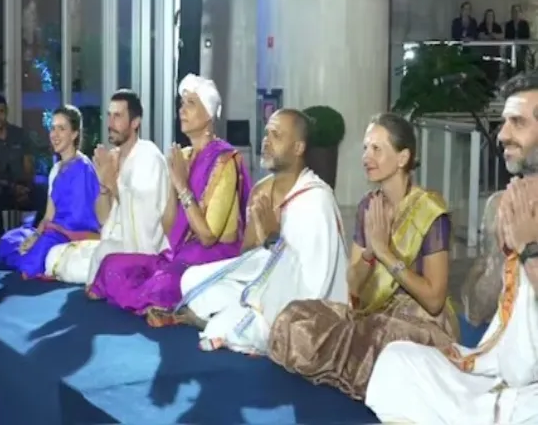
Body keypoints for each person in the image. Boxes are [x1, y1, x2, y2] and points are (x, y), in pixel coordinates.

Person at [365, 73, 538, 425]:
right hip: (495, 371)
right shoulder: (501, 205)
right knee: (396, 360)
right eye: (504, 122)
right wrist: (498, 254)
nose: (502, 134)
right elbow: (475, 311)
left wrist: (529, 250)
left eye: (517, 123)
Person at [267, 113, 459, 400]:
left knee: (380, 335)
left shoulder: (429, 212)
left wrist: (385, 253)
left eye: (377, 149)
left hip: (420, 321)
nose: (366, 156)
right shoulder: (368, 207)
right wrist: (370, 255)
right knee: (294, 316)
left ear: (403, 157)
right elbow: (354, 286)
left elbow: (434, 301)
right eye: (365, 148)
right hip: (370, 313)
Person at [147, 109, 348, 355]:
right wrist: (266, 244)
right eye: (266, 134)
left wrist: (275, 239)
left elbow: (313, 285)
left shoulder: (315, 202)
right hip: (264, 288)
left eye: (276, 135)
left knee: (238, 323)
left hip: (301, 311)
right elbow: (249, 256)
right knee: (192, 280)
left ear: (298, 148)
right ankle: (227, 322)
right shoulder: (262, 191)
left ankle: (224, 325)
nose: (266, 141)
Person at [87, 74, 252, 314]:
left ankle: (165, 304)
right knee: (112, 265)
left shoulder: (225, 161)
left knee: (162, 285)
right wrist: (109, 185)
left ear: (209, 114)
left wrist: (182, 186)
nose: (182, 110)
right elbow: (170, 226)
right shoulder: (182, 156)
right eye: (182, 104)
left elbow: (207, 237)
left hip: (211, 255)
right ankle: (155, 298)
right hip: (180, 252)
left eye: (191, 104)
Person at [42, 90, 169, 284]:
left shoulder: (148, 157)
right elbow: (104, 218)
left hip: (141, 249)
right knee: (53, 256)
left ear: (135, 122)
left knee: (104, 258)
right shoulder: (114, 157)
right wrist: (103, 185)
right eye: (109, 116)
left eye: (118, 116)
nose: (110, 123)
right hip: (113, 241)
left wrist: (114, 186)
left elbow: (145, 223)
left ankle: (107, 279)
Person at [0, 105, 101, 278]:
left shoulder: (84, 168)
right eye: (53, 128)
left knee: (29, 266)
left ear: (74, 134)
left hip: (70, 235)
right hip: (52, 231)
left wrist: (47, 234)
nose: (54, 134)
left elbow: (80, 219)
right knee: (8, 240)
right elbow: (48, 216)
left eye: (61, 128)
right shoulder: (56, 169)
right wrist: (35, 236)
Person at [0, 93, 46, 241]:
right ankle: (1, 241)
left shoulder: (20, 134)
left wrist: (26, 187)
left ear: (6, 112)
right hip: (3, 189)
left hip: (24, 187)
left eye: (1, 111)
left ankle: (34, 237)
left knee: (44, 194)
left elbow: (29, 164)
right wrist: (12, 188)